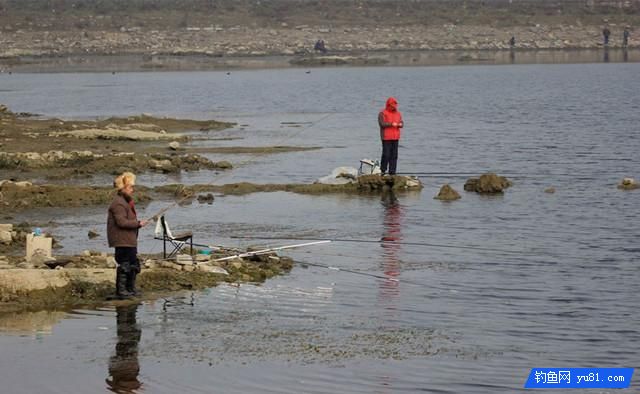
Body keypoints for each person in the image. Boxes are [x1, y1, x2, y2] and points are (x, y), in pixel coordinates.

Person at [107, 172, 148, 299]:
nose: (132, 189)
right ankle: (122, 291)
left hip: (128, 239)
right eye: (130, 187)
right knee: (125, 264)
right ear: (123, 188)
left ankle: (130, 289)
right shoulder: (118, 203)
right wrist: (138, 224)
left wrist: (138, 224)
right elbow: (121, 222)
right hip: (122, 240)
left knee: (133, 263)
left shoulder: (125, 201)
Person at [106, 304, 142, 392]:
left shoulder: (130, 385)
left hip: (130, 358)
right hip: (126, 359)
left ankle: (127, 308)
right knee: (126, 327)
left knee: (128, 329)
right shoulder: (122, 386)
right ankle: (127, 308)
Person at [378, 97, 404, 176]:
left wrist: (400, 124)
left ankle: (392, 172)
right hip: (386, 137)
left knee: (394, 155)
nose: (393, 107)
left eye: (394, 106)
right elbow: (382, 124)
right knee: (386, 154)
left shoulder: (398, 113)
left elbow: (402, 122)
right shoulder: (382, 113)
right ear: (388, 105)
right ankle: (383, 170)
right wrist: (391, 124)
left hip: (395, 137)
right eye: (392, 106)